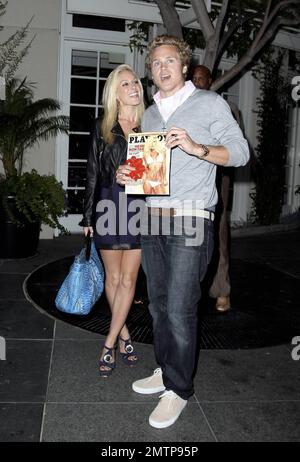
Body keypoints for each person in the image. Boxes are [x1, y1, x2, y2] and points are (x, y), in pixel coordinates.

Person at [117, 35, 249, 429]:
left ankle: (179, 390)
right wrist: (129, 175)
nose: (162, 68)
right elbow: (150, 174)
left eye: (169, 61)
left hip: (192, 219)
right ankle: (165, 368)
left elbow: (240, 152)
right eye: (155, 63)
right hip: (154, 219)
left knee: (179, 307)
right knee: (157, 304)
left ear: (184, 66)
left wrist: (198, 147)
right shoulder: (152, 114)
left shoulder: (209, 103)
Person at [79, 64, 145, 377]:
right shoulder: (102, 126)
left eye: (135, 82)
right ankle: (125, 335)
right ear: (115, 95)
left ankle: (108, 343)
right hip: (108, 204)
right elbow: (92, 173)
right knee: (114, 278)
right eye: (125, 84)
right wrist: (88, 214)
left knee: (130, 280)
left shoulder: (152, 124)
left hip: (140, 208)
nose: (133, 88)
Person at [192, 64, 236, 312]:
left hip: (217, 182)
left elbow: (234, 150)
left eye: (202, 79)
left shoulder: (223, 108)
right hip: (188, 188)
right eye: (194, 79)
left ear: (211, 81)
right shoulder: (183, 107)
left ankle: (222, 289)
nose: (197, 83)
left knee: (218, 236)